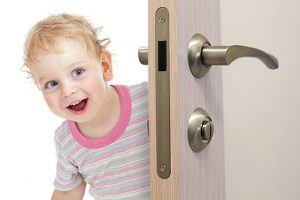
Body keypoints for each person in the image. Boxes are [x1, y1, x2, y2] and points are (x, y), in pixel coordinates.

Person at [23, 13, 150, 199]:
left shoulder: (146, 99)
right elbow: (68, 193)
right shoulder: (66, 139)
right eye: (52, 84)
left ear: (105, 67)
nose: (67, 91)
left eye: (78, 72)